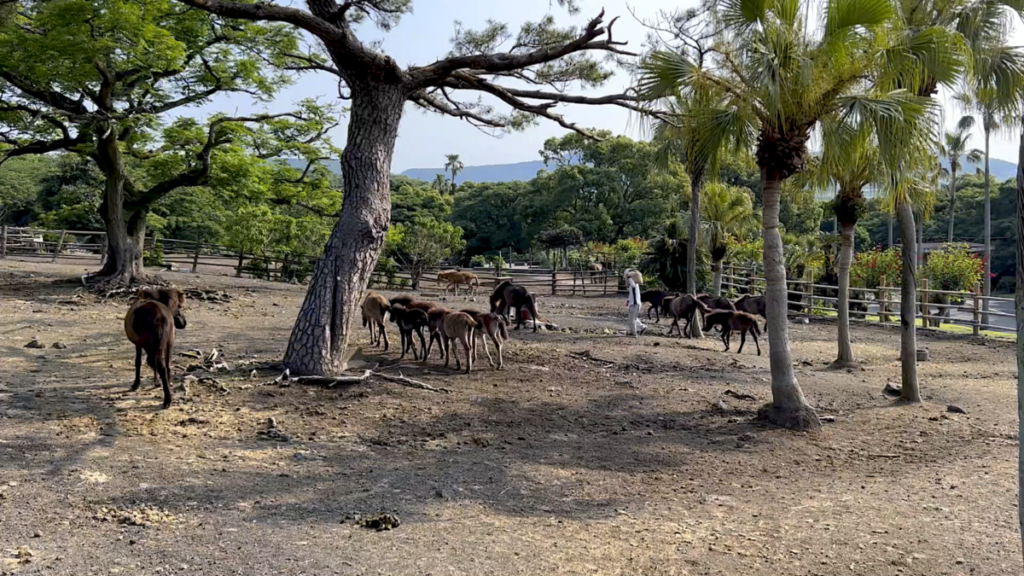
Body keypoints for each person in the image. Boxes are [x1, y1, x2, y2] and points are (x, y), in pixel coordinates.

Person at [624, 268, 647, 337]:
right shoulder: (634, 285)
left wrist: (629, 277)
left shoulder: (633, 284)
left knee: (631, 320)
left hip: (635, 304)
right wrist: (628, 301)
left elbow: (631, 283)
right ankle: (643, 327)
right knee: (634, 318)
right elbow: (631, 294)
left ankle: (633, 333)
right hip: (635, 304)